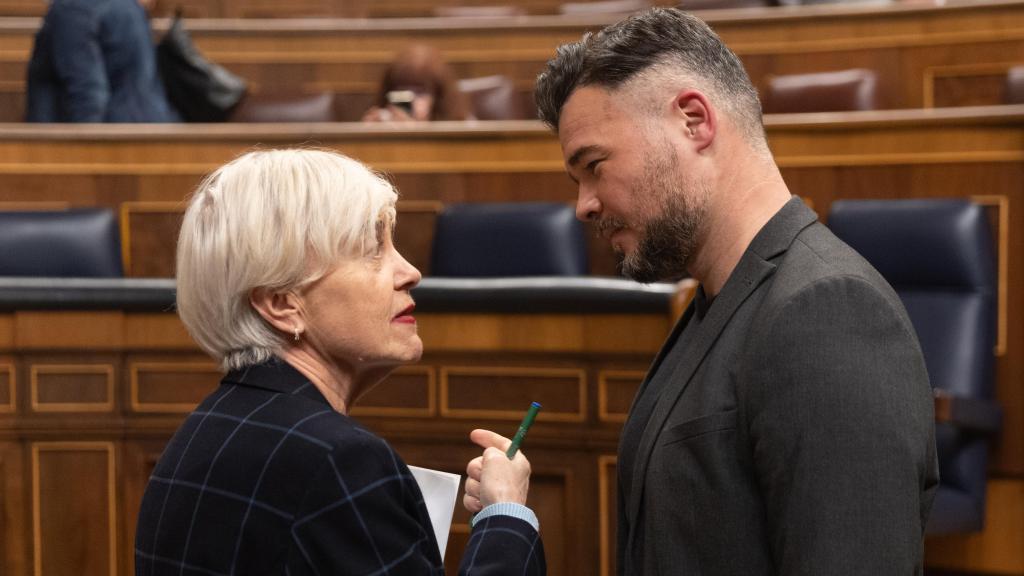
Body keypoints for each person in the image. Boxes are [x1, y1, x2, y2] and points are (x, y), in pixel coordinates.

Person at [535, 8, 937, 575]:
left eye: (595, 166)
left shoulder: (828, 311)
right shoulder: (714, 303)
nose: (585, 204)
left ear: (694, 120)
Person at [134, 149, 545, 575]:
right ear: (282, 304)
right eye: (372, 249)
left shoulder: (199, 433)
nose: (410, 271)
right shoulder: (339, 460)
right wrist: (506, 514)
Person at [25, 0, 178, 122]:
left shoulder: (73, 9)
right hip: (151, 128)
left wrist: (81, 155)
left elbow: (88, 97)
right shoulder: (129, 5)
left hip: (114, 143)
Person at [362, 44, 473, 122]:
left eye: (420, 92)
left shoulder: (462, 127)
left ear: (439, 97)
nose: (410, 99)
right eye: (402, 91)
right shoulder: (383, 123)